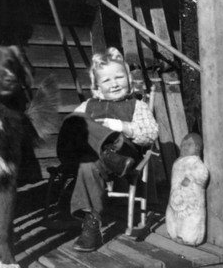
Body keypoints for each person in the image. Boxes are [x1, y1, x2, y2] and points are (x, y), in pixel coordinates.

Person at [57, 47, 159, 252]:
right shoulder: (88, 105)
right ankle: (92, 224)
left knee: (87, 163)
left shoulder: (137, 106)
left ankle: (90, 223)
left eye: (119, 77)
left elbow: (150, 134)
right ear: (97, 87)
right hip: (95, 158)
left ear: (128, 79)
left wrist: (122, 127)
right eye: (107, 80)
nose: (114, 84)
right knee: (75, 121)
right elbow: (72, 129)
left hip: (125, 154)